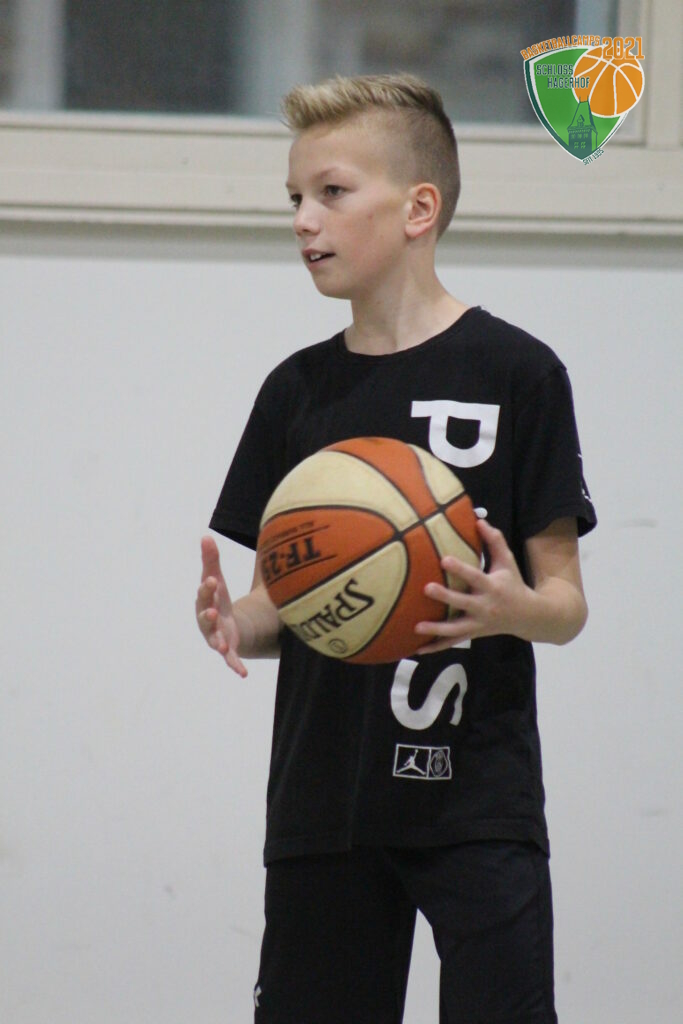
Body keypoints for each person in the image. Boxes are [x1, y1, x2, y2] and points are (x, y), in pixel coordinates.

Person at [196, 73, 596, 1024]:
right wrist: (233, 623)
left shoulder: (518, 372)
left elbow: (565, 606)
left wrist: (510, 609)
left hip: (477, 801)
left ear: (419, 209)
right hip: (324, 800)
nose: (304, 219)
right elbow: (282, 606)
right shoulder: (295, 391)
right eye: (294, 198)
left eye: (331, 192)